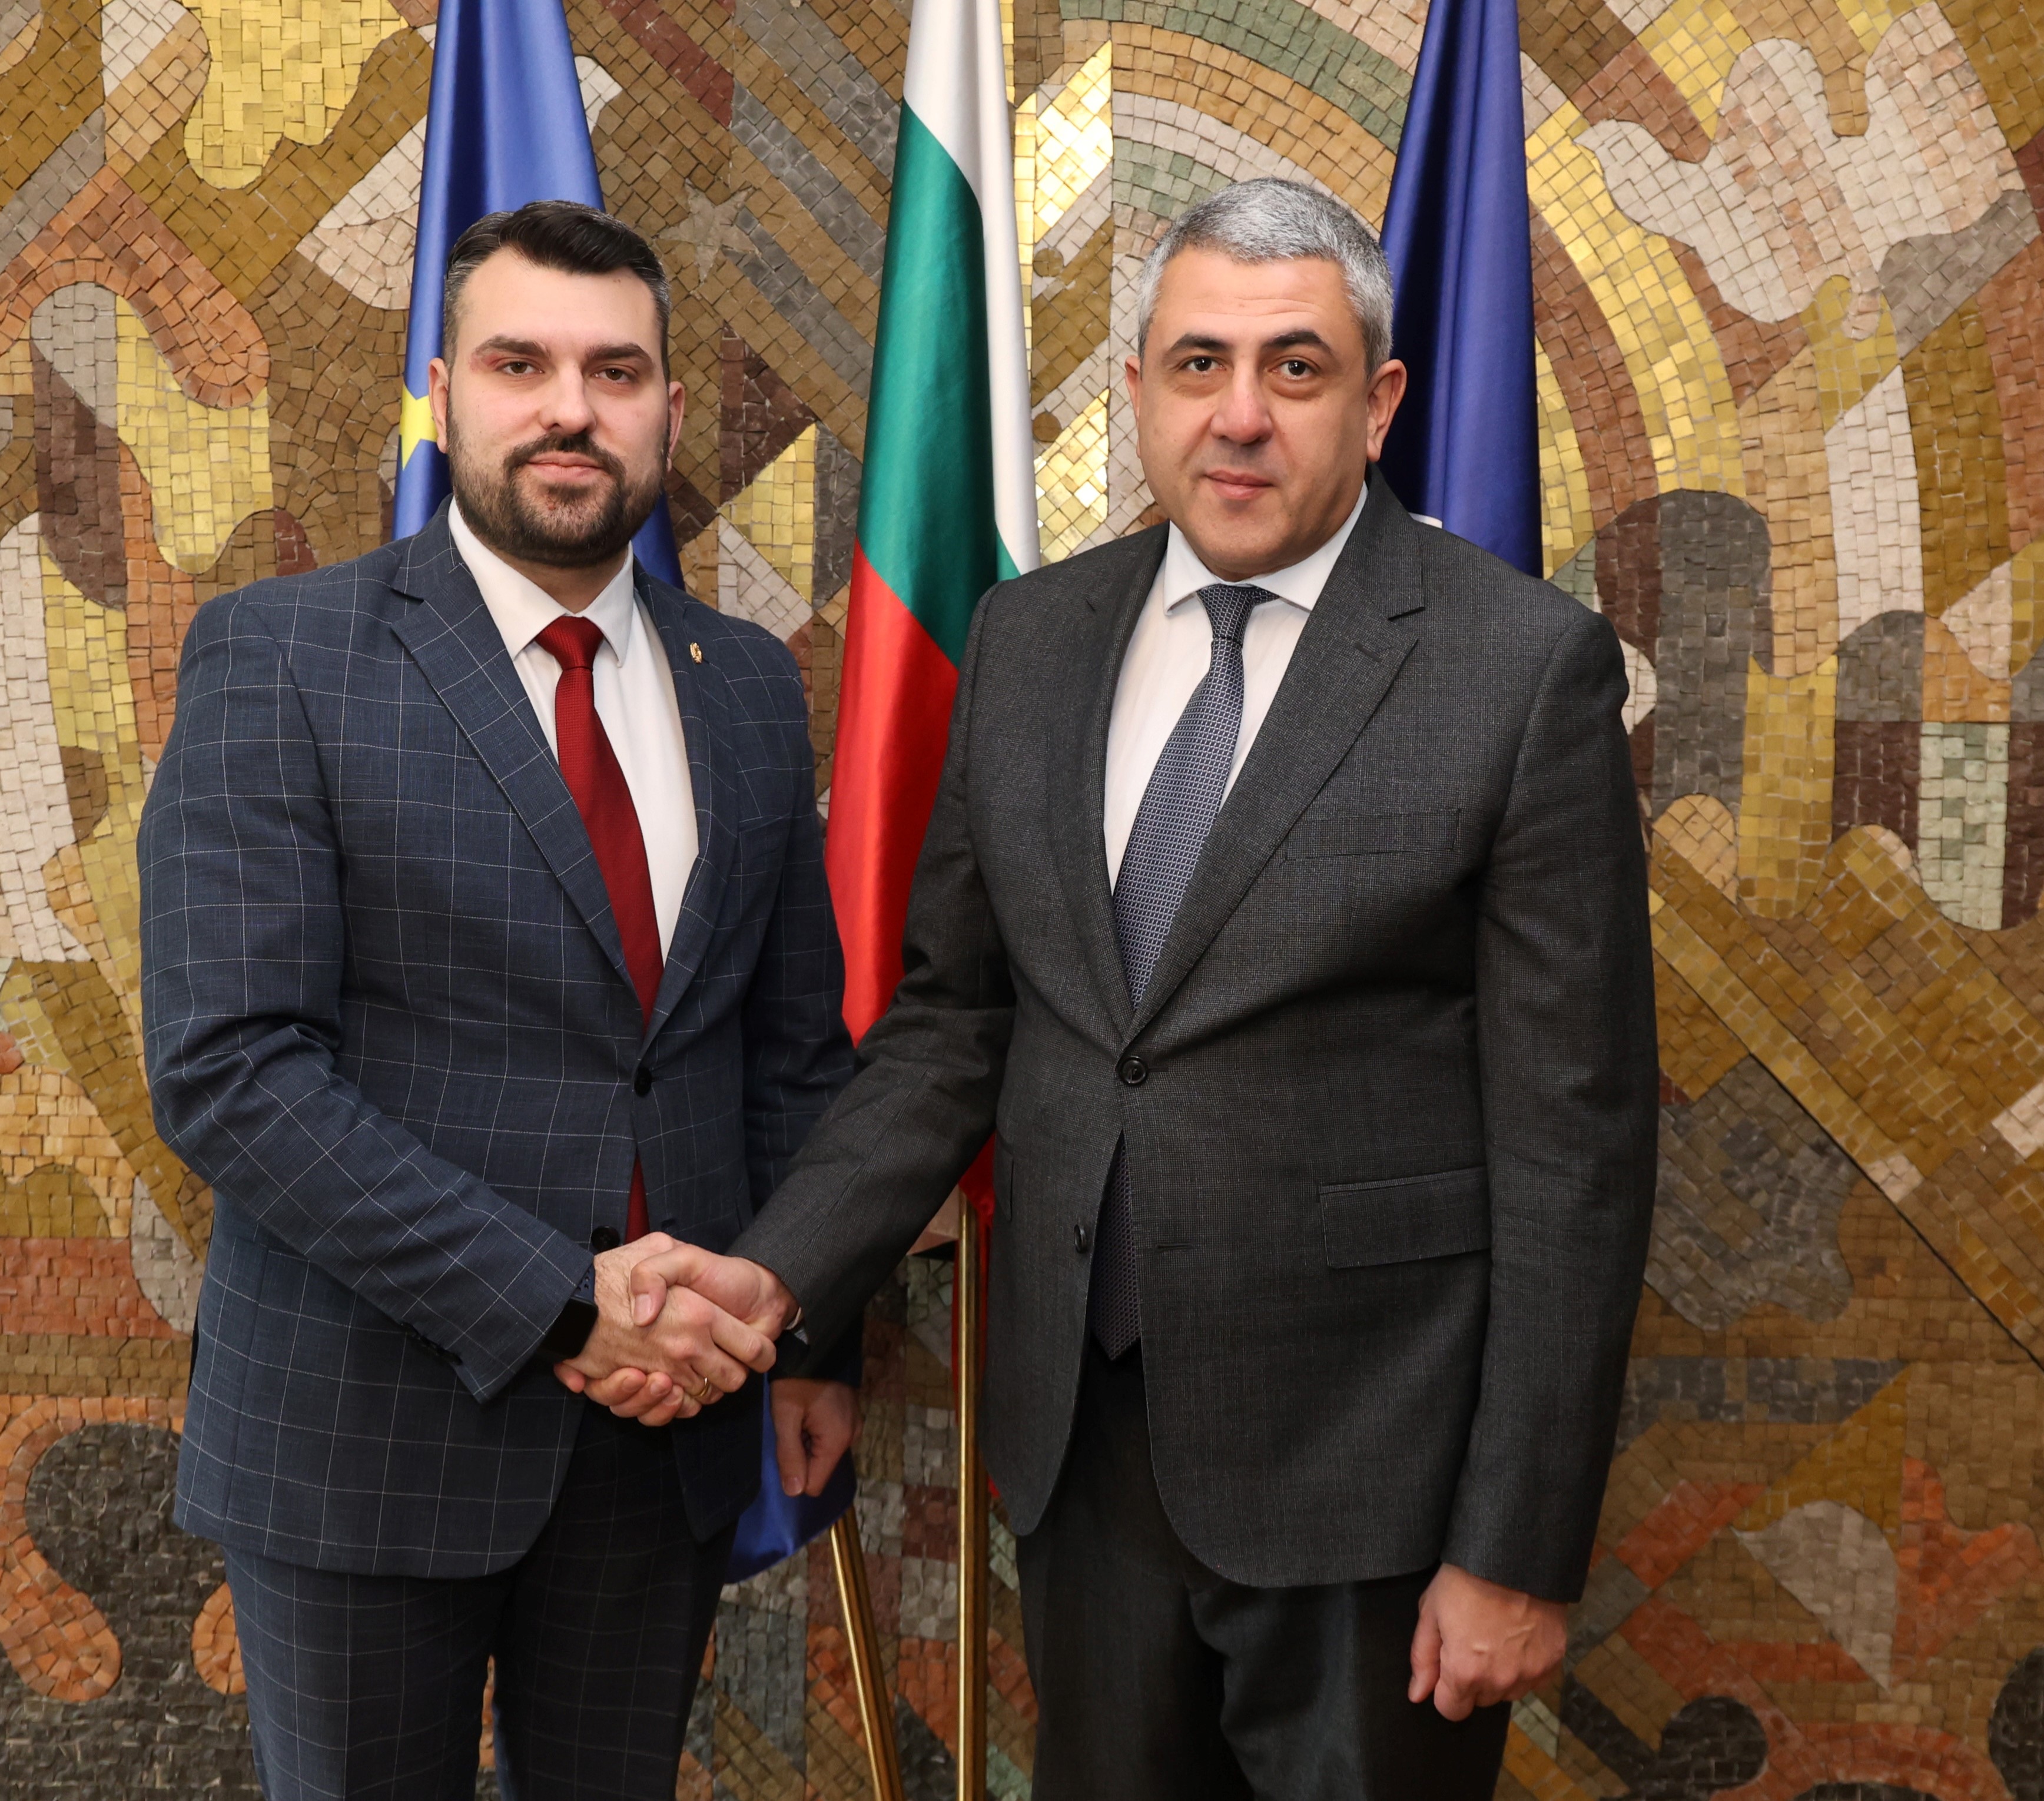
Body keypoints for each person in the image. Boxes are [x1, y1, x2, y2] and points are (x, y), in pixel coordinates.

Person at [608, 177, 1659, 1797]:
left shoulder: (1517, 670)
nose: (1240, 416)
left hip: (1372, 1483)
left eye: (1295, 368)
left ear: (1380, 402)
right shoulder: (1031, 639)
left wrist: (1516, 1548)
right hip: (1084, 1458)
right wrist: (775, 1276)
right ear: (1138, 391)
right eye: (1198, 364)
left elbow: (1575, 1147)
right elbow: (955, 1024)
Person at [138, 201, 855, 1801]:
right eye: (520, 364)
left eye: (616, 371)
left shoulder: (745, 684)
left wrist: (815, 1333)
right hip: (366, 1433)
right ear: (444, 391)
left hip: (662, 1443)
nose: (569, 409)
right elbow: (231, 1069)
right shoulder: (281, 657)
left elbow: (791, 1054)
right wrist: (565, 1303)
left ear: (670, 409)